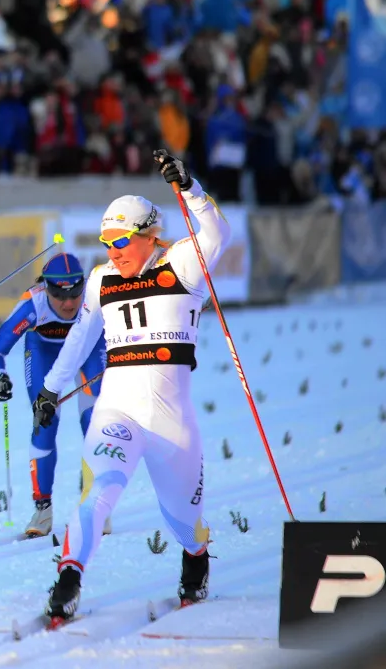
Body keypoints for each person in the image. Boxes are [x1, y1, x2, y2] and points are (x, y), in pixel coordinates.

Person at [32, 150, 232, 624]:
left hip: (170, 420)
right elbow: (79, 340)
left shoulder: (182, 264)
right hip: (116, 410)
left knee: (185, 519)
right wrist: (49, 391)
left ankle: (196, 562)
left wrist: (190, 189)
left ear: (148, 235)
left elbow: (218, 233)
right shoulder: (102, 280)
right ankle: (68, 580)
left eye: (121, 240)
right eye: (105, 242)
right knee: (95, 496)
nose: (112, 251)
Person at [0, 253, 108, 538]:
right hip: (45, 351)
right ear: (46, 288)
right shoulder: (34, 303)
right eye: (58, 295)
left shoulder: (95, 295)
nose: (67, 303)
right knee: (44, 422)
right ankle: (43, 509)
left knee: (94, 420)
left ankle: (98, 503)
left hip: (88, 351)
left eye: (75, 294)